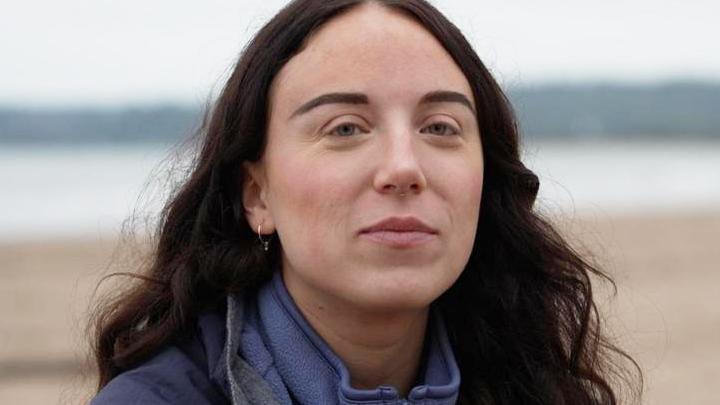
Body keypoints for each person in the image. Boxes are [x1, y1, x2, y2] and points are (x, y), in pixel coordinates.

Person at [88, 0, 640, 404]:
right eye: (346, 128)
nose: (403, 167)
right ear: (258, 196)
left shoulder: (537, 384)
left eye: (441, 127)